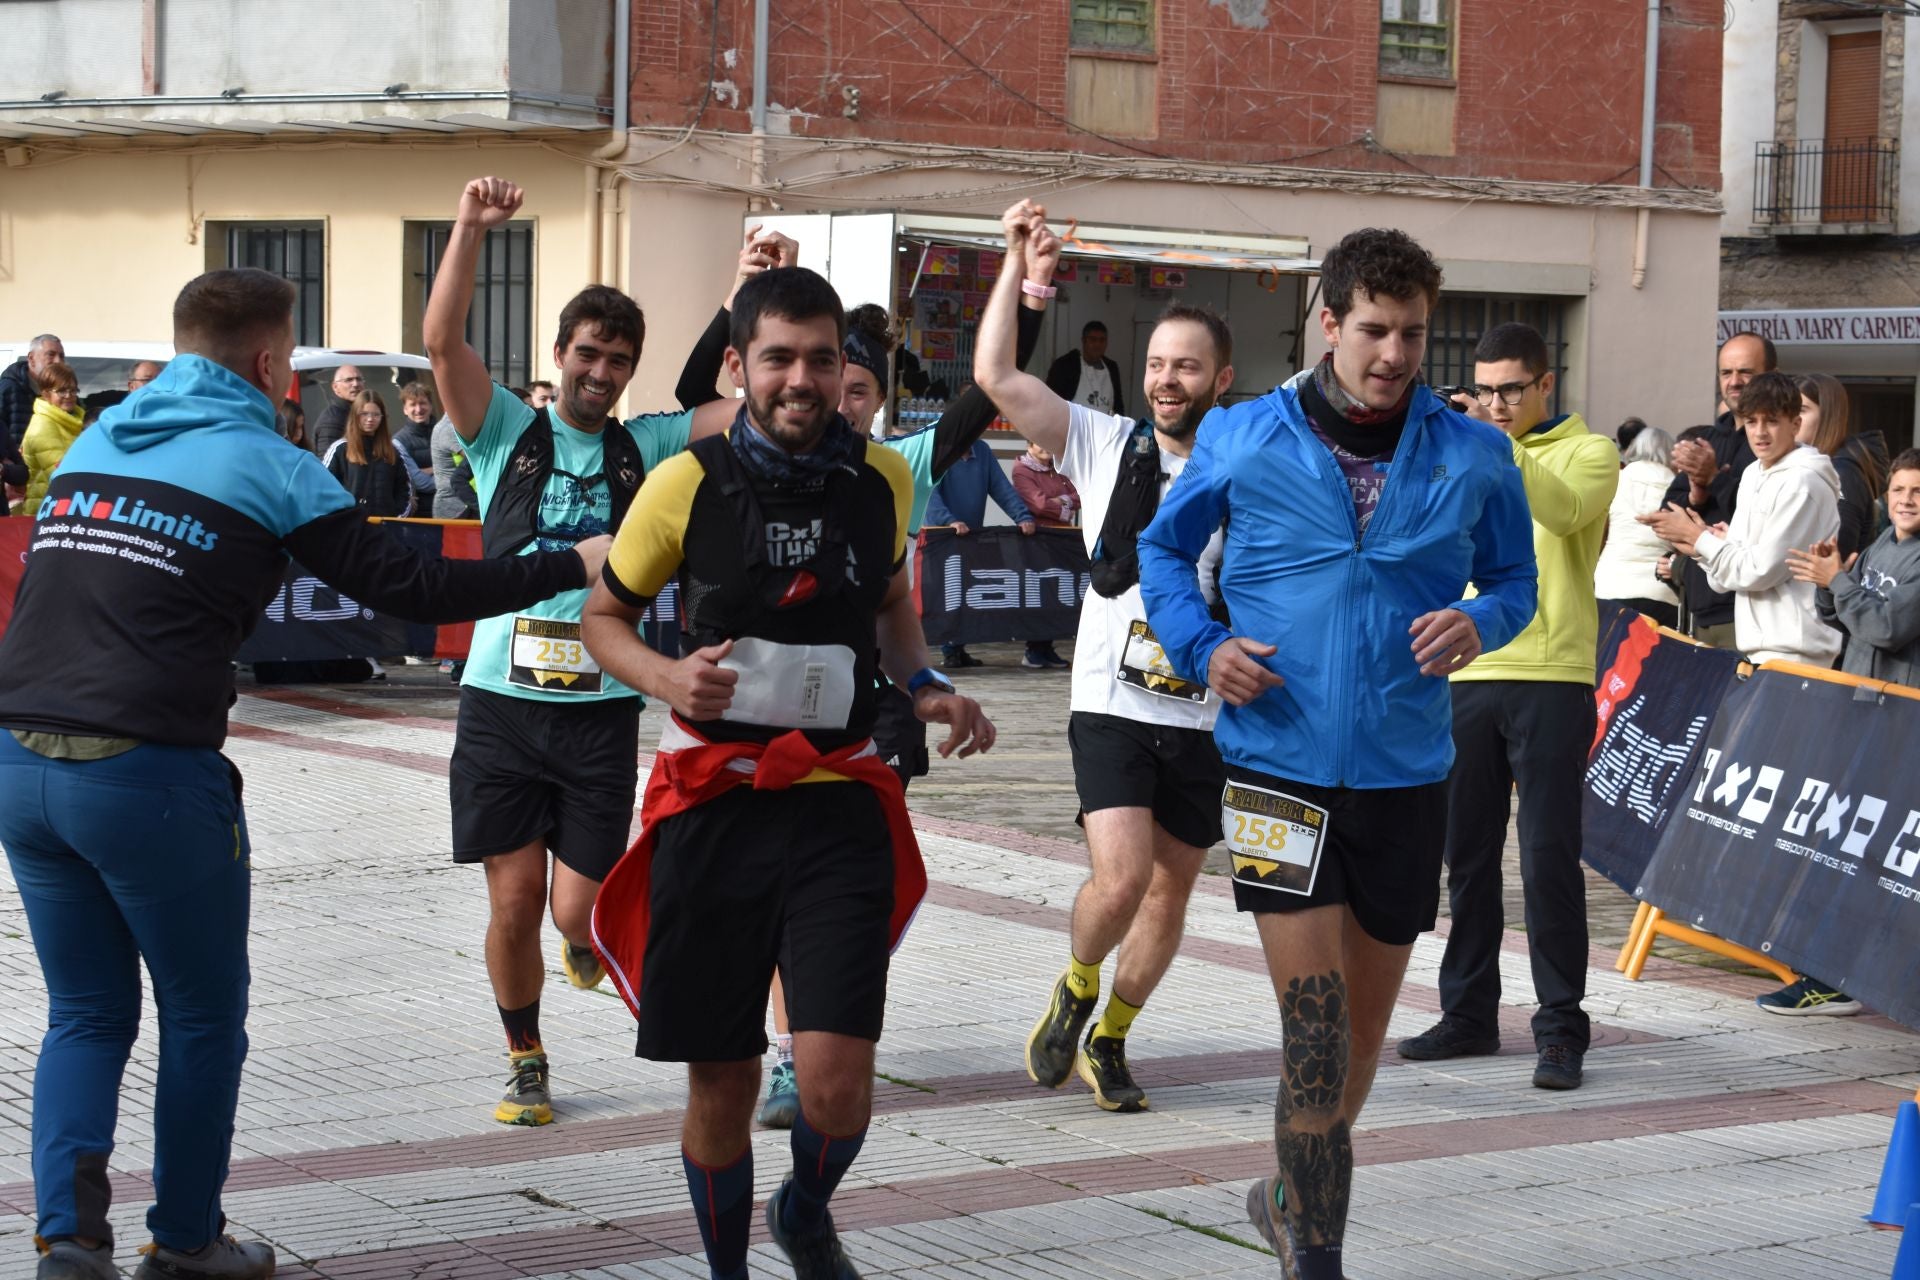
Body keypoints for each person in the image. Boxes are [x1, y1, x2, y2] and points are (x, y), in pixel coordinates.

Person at [0, 268, 604, 1280]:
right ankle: (187, 1239)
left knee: (87, 1010)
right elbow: (413, 585)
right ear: (274, 362)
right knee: (200, 1014)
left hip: (19, 761)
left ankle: (68, 1242)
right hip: (146, 772)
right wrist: (568, 562)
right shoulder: (267, 461)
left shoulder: (96, 439)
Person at [1138, 226, 1537, 1280]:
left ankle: (1285, 1195)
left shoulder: (1474, 451)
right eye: (1374, 329)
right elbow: (1162, 549)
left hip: (1408, 773)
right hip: (1277, 761)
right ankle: (1316, 1255)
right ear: (1329, 322)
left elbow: (1514, 583)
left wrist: (1481, 625)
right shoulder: (1245, 436)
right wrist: (1203, 642)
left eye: (1412, 332)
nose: (1396, 354)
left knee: (1357, 1046)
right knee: (1313, 1034)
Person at [581, 264, 994, 1280]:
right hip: (713, 804)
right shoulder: (686, 482)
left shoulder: (880, 481)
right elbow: (605, 619)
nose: (801, 378)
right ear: (739, 365)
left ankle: (805, 1206)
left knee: (836, 1085)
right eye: (778, 358)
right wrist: (669, 674)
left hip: (837, 798)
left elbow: (891, 605)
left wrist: (927, 682)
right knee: (721, 1081)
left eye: (822, 358)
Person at [673, 225, 1056, 1129]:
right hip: (741, 740)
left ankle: (826, 1028)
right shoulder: (736, 456)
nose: (825, 398)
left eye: (851, 389)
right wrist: (741, 284)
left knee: (832, 887)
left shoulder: (897, 469)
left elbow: (976, 408)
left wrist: (1028, 295)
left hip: (873, 707)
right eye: (809, 378)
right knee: (767, 889)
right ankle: (783, 1053)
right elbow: (697, 397)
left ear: (874, 402)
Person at [425, 176, 738, 1129]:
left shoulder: (647, 446)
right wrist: (470, 224)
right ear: (558, 355)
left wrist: (742, 292)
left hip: (600, 710)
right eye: (589, 354)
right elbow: (442, 342)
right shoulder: (506, 434)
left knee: (576, 915)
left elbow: (749, 408)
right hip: (500, 707)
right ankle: (525, 1056)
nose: (601, 372)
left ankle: (582, 942)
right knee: (516, 902)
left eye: (618, 360)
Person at [976, 200, 1238, 1116]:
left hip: (1206, 714)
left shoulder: (1251, 467)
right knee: (1121, 880)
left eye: (1186, 367)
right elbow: (997, 374)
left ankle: (1113, 1038)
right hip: (1111, 702)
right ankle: (1079, 981)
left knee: (1171, 895)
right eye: (1158, 364)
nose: (1168, 380)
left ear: (1222, 378)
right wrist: (1019, 265)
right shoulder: (1103, 441)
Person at [1395, 323, 1617, 1092]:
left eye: (1510, 390)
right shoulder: (1464, 447)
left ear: (1544, 385)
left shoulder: (1589, 451)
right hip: (1466, 669)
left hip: (1554, 676)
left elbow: (1561, 513)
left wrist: (1495, 442)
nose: (1495, 403)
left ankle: (1560, 1026)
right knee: (1467, 854)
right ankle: (1468, 1015)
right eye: (1484, 391)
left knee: (1550, 855)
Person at [1644, 372, 1842, 666]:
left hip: (1798, 653)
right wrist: (1702, 546)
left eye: (1771, 421)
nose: (1760, 432)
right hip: (1758, 647)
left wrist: (1700, 539)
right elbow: (1725, 581)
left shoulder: (1803, 482)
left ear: (1795, 424)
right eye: (1751, 421)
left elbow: (1758, 571)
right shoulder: (1753, 472)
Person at [1664, 333, 1775, 646]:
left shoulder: (1779, 449)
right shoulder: (1707, 439)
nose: (1735, 382)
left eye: (1746, 372)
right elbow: (1667, 516)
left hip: (1750, 612)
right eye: (1727, 373)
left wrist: (1714, 479)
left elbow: (1764, 517)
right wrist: (1696, 494)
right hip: (1700, 609)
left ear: (1772, 376)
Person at [926, 438, 1037, 668]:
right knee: (943, 593)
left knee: (964, 591)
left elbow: (1000, 486)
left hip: (968, 535)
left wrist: (1022, 516)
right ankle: (947, 649)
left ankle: (957, 648)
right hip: (939, 536)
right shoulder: (938, 449)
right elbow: (928, 492)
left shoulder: (982, 450)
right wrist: (949, 521)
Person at [1594, 424, 1681, 628]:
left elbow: (1600, 533)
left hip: (1611, 584)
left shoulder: (1617, 480)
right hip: (1661, 591)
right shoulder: (1677, 486)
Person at [1796, 372, 1888, 561]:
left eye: (1802, 410)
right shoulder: (1818, 465)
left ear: (1828, 415)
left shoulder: (1841, 473)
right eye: (1788, 410)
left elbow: (1839, 556)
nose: (1792, 418)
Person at [1011, 438, 1078, 669]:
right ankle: (1033, 649)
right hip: (1036, 539)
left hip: (1060, 540)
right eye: (1039, 442)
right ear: (1029, 445)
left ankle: (1047, 646)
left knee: (1056, 592)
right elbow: (1037, 505)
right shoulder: (1021, 469)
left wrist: (1060, 501)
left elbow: (1079, 494)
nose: (1046, 446)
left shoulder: (1059, 468)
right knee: (1038, 593)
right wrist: (1064, 506)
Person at [323, 391, 415, 517]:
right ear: (355, 415)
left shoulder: (393, 450)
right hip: (351, 527)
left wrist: (396, 519)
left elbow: (404, 491)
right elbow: (324, 488)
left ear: (382, 417)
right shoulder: (340, 449)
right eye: (364, 414)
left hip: (386, 528)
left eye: (376, 414)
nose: (370, 419)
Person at [21, 361, 85, 513]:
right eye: (62, 391)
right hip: (45, 511)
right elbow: (62, 474)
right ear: (45, 394)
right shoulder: (42, 426)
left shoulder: (74, 420)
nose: (69, 396)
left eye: (73, 390)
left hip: (63, 506)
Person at [1046, 319, 1126, 416]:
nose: (1097, 345)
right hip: (1075, 429)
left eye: (1102, 340)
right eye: (1093, 340)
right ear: (1083, 340)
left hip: (1105, 429)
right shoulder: (1065, 365)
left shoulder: (1112, 368)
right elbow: (1051, 403)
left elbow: (1118, 405)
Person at [310, 364, 365, 457]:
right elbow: (327, 462)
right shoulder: (332, 420)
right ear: (335, 387)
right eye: (348, 380)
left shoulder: (356, 413)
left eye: (359, 379)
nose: (355, 384)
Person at [394, 381, 440, 476]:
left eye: (422, 403)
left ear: (430, 406)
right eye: (413, 404)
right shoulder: (400, 441)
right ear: (405, 410)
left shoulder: (443, 432)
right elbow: (411, 476)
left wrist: (428, 470)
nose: (418, 409)